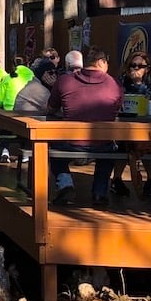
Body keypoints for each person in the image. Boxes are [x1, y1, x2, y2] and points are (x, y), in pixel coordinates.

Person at [46, 46, 123, 206]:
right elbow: (115, 110)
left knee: (52, 148)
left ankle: (65, 184)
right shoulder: (114, 84)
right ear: (101, 63)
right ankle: (99, 192)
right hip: (102, 143)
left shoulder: (64, 80)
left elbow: (51, 108)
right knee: (110, 150)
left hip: (70, 142)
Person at [111, 51, 151, 197]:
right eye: (132, 65)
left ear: (147, 68)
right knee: (121, 144)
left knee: (147, 142)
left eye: (140, 66)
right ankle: (116, 179)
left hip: (147, 127)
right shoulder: (120, 81)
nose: (135, 68)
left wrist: (138, 84)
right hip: (124, 127)